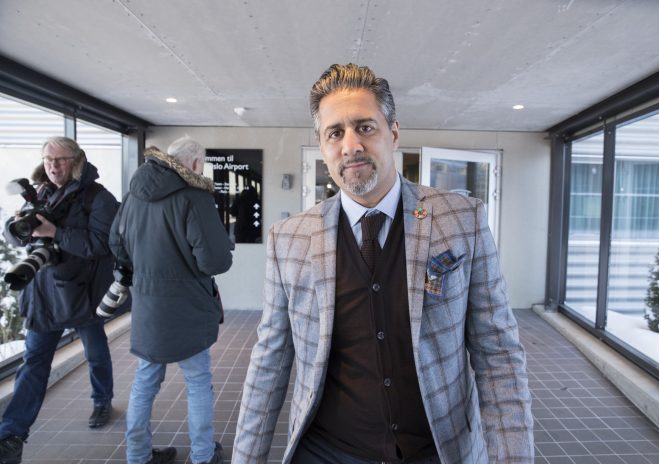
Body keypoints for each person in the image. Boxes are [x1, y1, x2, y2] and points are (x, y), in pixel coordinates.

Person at [232, 64, 534, 463]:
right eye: (335, 133)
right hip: (326, 452)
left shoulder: (462, 220)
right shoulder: (288, 239)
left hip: (438, 450)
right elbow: (269, 362)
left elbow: (498, 356)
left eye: (365, 127)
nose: (351, 145)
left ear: (393, 133)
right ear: (322, 146)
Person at [109, 137, 233, 464]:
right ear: (195, 164)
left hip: (148, 307)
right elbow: (215, 261)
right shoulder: (194, 197)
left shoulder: (133, 195)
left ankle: (137, 455)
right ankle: (203, 455)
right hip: (188, 308)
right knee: (198, 383)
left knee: (144, 383)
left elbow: (116, 245)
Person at [0, 136, 117, 463]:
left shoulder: (98, 197)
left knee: (95, 353)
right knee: (34, 363)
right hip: (43, 295)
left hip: (81, 293)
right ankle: (10, 436)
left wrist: (56, 233)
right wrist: (16, 226)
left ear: (77, 160)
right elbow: (16, 237)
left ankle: (102, 400)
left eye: (60, 159)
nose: (53, 166)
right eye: (48, 159)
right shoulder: (39, 194)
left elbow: (102, 244)